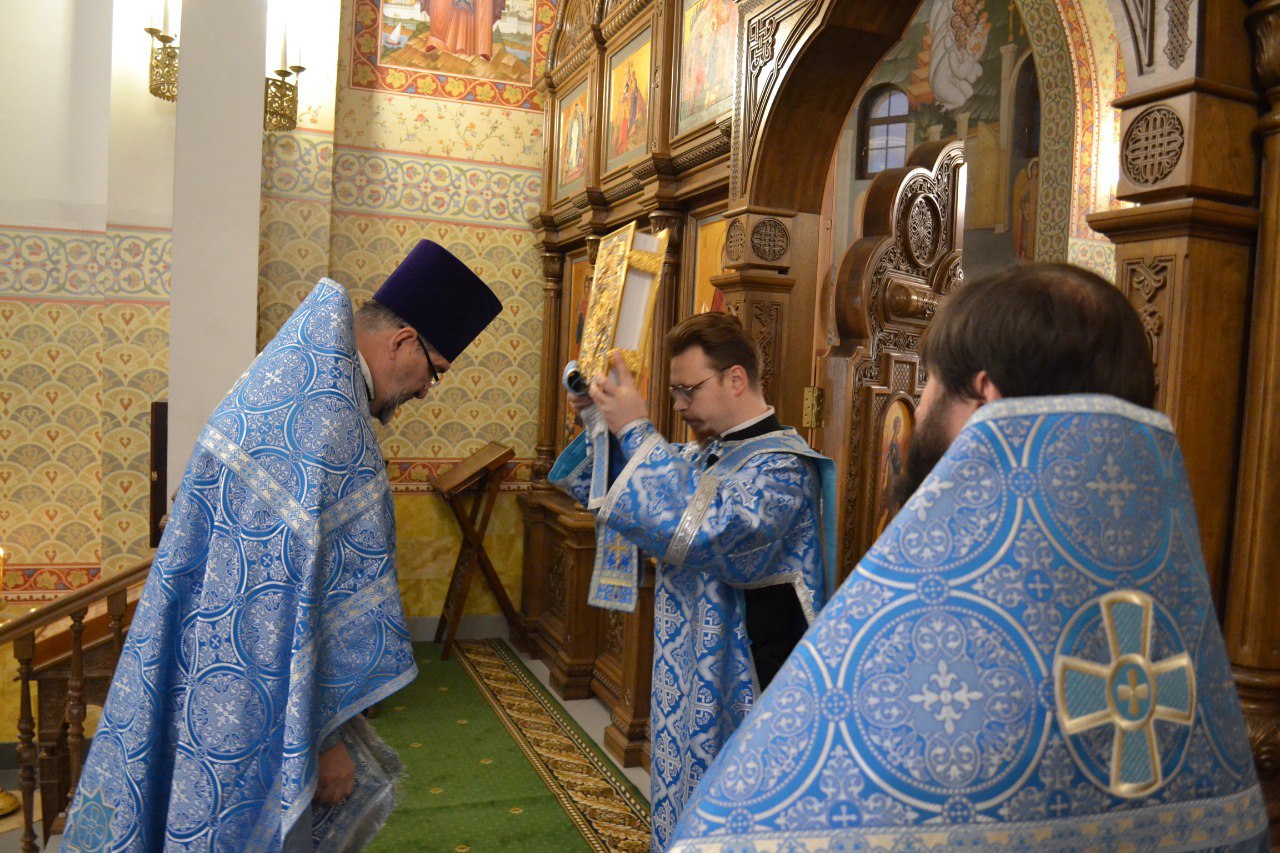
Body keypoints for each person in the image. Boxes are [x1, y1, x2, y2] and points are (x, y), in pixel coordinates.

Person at [669, 264, 1269, 851]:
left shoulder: (929, 625)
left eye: (930, 380)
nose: (918, 403)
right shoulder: (1167, 595)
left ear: (986, 397)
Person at [62, 240, 502, 851]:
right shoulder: (328, 428)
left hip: (213, 671)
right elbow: (280, 604)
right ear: (402, 341)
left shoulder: (292, 385)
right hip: (249, 702)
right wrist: (323, 746)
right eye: (435, 369)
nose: (428, 390)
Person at [549, 312, 838, 850]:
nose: (678, 405)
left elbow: (708, 531)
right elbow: (612, 490)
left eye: (688, 390)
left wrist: (637, 430)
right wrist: (599, 425)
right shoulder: (701, 455)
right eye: (674, 391)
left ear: (734, 379)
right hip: (689, 670)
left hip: (749, 675)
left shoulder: (783, 468)